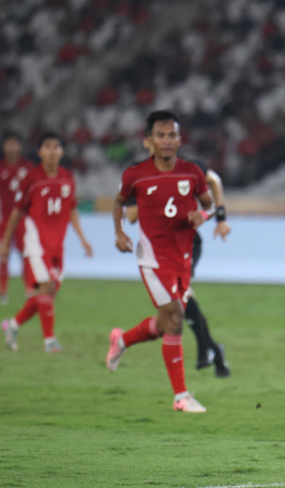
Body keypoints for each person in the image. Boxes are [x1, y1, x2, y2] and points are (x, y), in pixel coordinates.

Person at [106, 110, 213, 413]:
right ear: (148, 141)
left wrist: (201, 216)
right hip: (152, 260)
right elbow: (119, 202)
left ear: (179, 139)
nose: (167, 141)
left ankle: (122, 341)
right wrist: (119, 233)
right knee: (176, 318)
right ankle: (181, 396)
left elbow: (209, 205)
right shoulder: (135, 175)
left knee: (167, 321)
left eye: (172, 135)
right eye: (160, 135)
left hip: (182, 259)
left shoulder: (192, 173)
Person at [125, 166, 232, 378]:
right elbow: (131, 216)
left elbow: (214, 180)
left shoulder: (185, 166)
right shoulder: (139, 172)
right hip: (159, 250)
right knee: (178, 305)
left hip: (186, 244)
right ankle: (212, 349)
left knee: (180, 301)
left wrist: (220, 218)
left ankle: (206, 350)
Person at [1, 132, 93, 352]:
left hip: (57, 245)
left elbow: (72, 209)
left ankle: (13, 325)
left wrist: (82, 239)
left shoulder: (67, 177)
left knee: (49, 294)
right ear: (40, 152)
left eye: (56, 147)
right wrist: (5, 241)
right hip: (37, 243)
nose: (52, 151)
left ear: (62, 151)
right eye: (48, 147)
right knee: (47, 287)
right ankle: (49, 341)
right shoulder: (32, 178)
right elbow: (17, 211)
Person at [0, 130, 33, 305]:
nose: (13, 147)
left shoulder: (28, 168)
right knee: (3, 254)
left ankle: (29, 288)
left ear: (20, 146)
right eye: (9, 143)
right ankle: (2, 290)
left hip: (23, 219)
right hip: (4, 219)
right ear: (4, 146)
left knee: (25, 254)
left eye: (16, 143)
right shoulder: (1, 168)